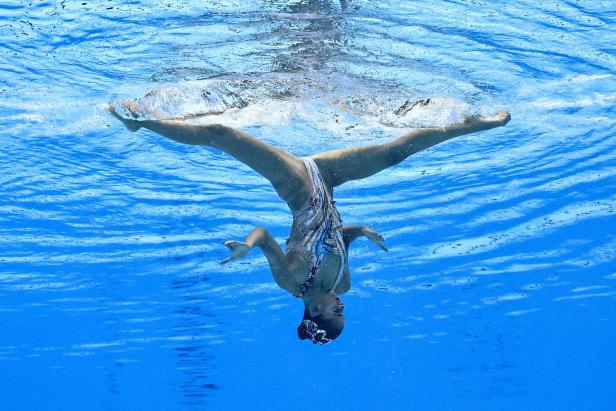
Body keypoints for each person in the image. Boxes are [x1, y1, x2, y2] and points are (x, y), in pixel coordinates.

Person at [108, 104, 510, 344]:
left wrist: (247, 247)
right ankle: (475, 123)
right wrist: (361, 233)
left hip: (297, 186)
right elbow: (340, 238)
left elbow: (265, 236)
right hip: (329, 180)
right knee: (395, 153)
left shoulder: (290, 280)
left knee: (222, 134)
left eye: (337, 313)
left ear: (315, 311)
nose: (343, 306)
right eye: (342, 313)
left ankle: (141, 123)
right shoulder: (342, 284)